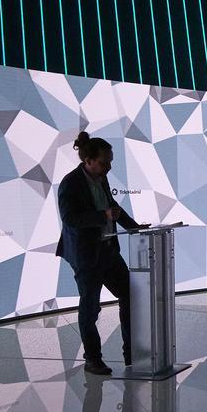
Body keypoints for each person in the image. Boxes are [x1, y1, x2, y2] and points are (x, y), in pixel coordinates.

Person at [56, 131, 146, 376]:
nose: (109, 166)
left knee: (130, 294)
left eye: (110, 161)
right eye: (105, 161)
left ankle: (132, 353)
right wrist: (101, 217)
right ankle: (92, 359)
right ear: (89, 161)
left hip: (108, 250)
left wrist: (135, 227)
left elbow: (113, 208)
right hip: (86, 256)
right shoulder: (70, 183)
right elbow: (70, 218)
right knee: (90, 309)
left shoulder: (101, 179)